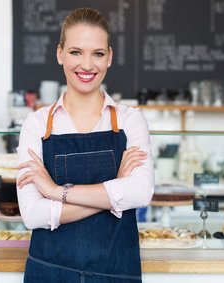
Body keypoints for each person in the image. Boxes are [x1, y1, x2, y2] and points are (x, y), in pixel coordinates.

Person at [16, 7, 154, 283]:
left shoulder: (131, 121)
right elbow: (32, 214)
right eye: (76, 52)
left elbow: (140, 193)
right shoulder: (36, 124)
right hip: (49, 272)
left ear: (110, 58)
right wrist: (115, 190)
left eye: (98, 53)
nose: (87, 65)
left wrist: (56, 192)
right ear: (60, 54)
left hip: (115, 272)